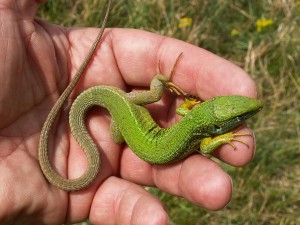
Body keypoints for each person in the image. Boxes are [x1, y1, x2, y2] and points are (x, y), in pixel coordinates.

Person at [0, 0, 259, 224]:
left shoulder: (196, 118)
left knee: (147, 104)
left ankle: (156, 85)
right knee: (118, 136)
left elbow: (194, 127)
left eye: (238, 117)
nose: (242, 118)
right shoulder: (203, 133)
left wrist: (178, 98)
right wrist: (224, 138)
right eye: (237, 118)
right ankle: (143, 97)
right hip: (127, 112)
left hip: (128, 109)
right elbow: (204, 148)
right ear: (214, 123)